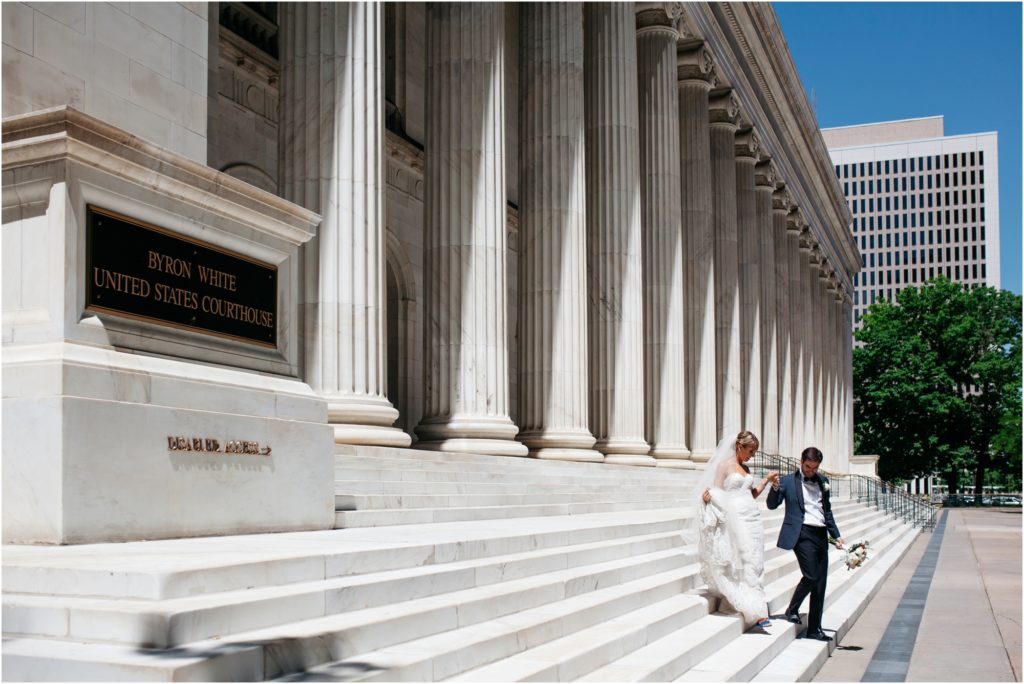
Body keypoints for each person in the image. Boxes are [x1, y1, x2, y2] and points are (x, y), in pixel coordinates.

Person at [698, 431, 779, 629]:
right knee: (745, 559)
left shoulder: (745, 467)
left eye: (754, 452)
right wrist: (707, 498)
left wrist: (766, 481)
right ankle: (757, 611)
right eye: (750, 451)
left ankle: (747, 603)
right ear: (739, 446)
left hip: (753, 517)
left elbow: (750, 495)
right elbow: (717, 491)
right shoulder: (724, 466)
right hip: (736, 518)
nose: (752, 455)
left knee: (755, 559)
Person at [766, 446, 844, 641]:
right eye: (808, 467)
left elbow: (827, 512)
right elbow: (771, 505)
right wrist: (774, 487)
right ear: (801, 462)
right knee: (811, 576)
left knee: (820, 583)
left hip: (820, 534)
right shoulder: (786, 482)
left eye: (815, 468)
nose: (811, 471)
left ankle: (814, 629)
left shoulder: (823, 482)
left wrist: (836, 536)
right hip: (801, 534)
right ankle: (792, 608)